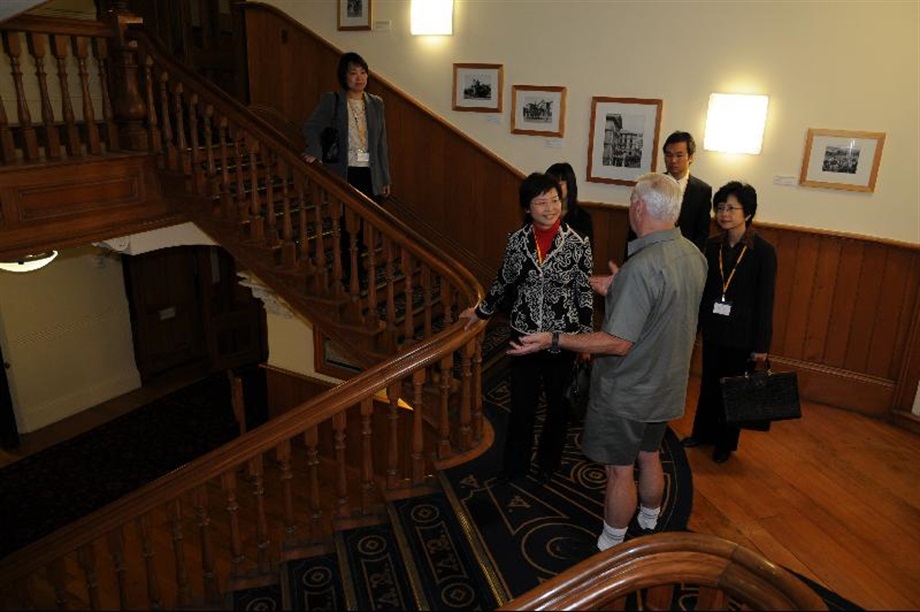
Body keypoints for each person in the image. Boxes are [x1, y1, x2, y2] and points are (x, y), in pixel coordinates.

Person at [509, 173, 706, 551]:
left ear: (639, 207)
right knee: (650, 456)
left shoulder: (643, 267)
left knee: (620, 471)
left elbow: (617, 344)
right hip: (666, 384)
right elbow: (663, 311)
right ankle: (649, 520)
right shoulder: (692, 254)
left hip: (629, 392)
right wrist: (619, 289)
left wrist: (553, 338)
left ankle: (611, 545)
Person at [460, 173, 593, 483]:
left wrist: (585, 341)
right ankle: (515, 467)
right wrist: (481, 312)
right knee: (522, 407)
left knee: (558, 408)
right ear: (527, 208)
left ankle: (549, 463)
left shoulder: (577, 243)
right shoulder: (517, 241)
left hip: (562, 338)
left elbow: (583, 293)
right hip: (524, 334)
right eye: (541, 202)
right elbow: (503, 281)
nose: (549, 208)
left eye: (555, 201)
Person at [682, 181, 777, 464]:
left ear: (747, 213)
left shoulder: (763, 251)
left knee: (732, 389)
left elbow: (766, 301)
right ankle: (702, 433)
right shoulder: (712, 246)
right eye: (720, 208)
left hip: (743, 335)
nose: (724, 214)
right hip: (714, 330)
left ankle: (725, 443)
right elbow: (704, 292)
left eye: (731, 208)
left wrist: (762, 344)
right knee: (709, 385)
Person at [303, 51, 391, 201]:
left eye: (363, 72)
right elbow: (311, 127)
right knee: (346, 219)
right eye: (353, 73)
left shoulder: (376, 103)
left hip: (371, 173)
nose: (360, 78)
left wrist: (384, 177)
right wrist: (315, 150)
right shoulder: (332, 100)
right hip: (344, 171)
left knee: (370, 219)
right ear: (344, 76)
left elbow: (381, 144)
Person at [626, 131, 712, 253]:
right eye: (669, 155)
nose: (673, 160)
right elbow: (635, 223)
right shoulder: (651, 184)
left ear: (690, 157)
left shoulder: (702, 191)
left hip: (684, 255)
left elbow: (702, 233)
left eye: (679, 155)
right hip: (651, 253)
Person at [545, 162, 593, 245]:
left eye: (559, 184)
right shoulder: (539, 213)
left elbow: (586, 251)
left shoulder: (582, 218)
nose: (554, 190)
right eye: (551, 185)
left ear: (570, 185)